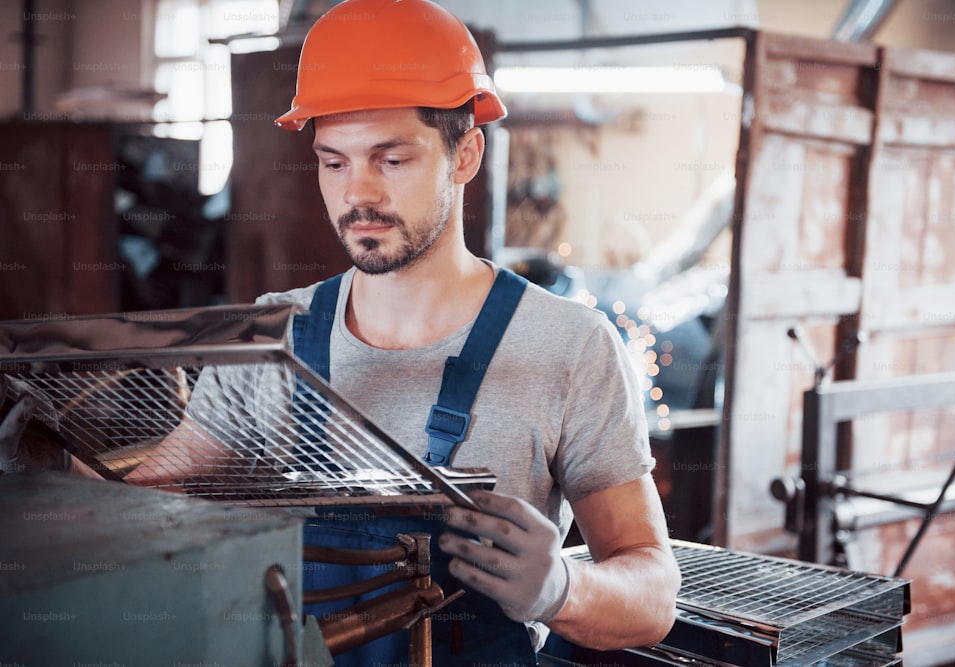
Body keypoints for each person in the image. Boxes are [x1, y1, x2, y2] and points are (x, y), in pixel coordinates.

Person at [1, 0, 680, 663]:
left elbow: (652, 592)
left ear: (465, 153)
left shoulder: (570, 346)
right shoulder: (275, 334)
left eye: (392, 159)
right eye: (334, 161)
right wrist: (51, 474)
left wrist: (563, 588)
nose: (358, 194)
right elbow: (158, 500)